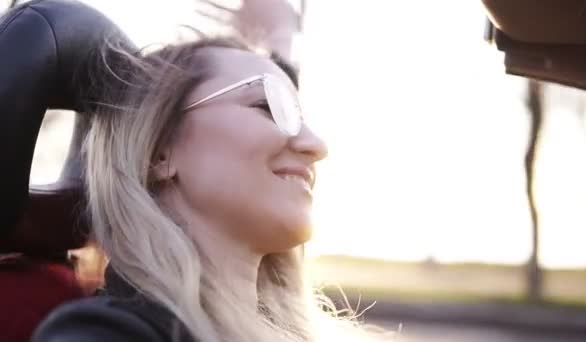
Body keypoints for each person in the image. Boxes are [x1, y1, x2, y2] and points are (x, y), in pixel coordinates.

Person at [32, 34, 390, 341]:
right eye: (268, 105)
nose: (317, 145)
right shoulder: (107, 333)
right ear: (159, 152)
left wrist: (280, 33)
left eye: (301, 117)